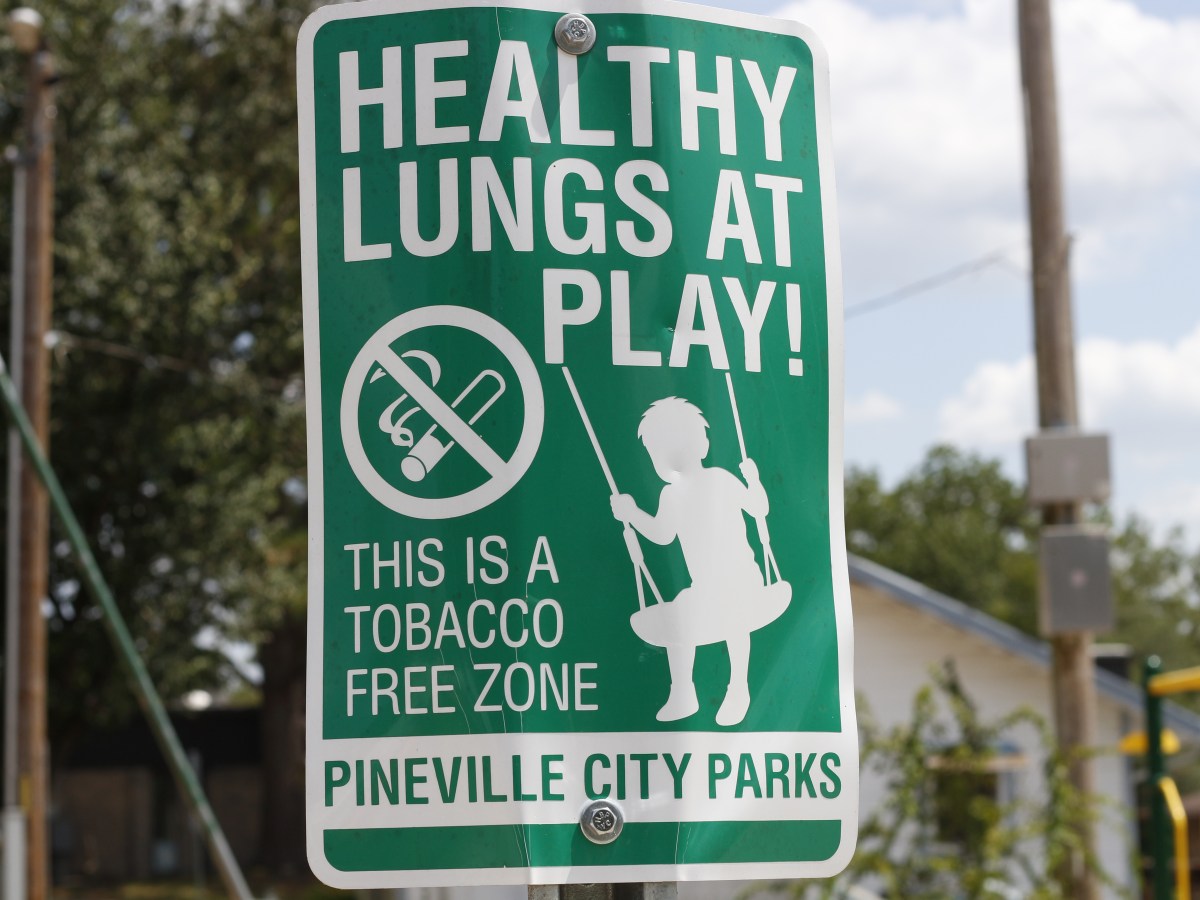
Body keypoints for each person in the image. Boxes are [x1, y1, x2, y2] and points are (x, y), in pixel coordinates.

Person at [610, 396, 769, 727]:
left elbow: (758, 509)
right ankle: (683, 692)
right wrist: (632, 514)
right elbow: (662, 533)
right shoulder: (672, 494)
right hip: (705, 588)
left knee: (735, 617)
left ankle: (738, 687)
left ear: (702, 444)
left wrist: (753, 480)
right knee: (679, 618)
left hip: (742, 578)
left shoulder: (721, 479)